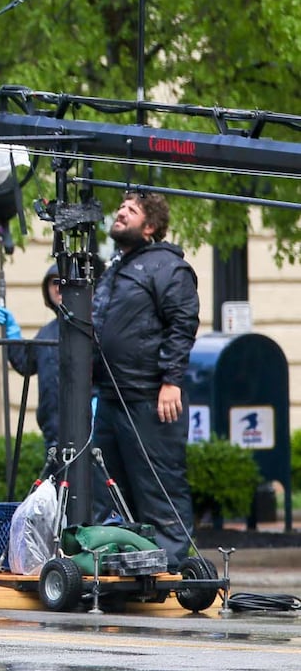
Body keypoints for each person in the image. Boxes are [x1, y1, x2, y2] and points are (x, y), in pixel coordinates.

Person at [92, 192, 200, 569]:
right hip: (110, 398)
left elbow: (182, 324)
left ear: (150, 226)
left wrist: (171, 381)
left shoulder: (166, 267)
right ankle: (125, 563)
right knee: (109, 489)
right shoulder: (116, 268)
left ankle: (170, 568)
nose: (120, 213)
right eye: (120, 207)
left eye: (131, 210)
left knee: (159, 488)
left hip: (148, 399)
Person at [0, 266, 62, 450]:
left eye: (62, 282)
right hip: (53, 434)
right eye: (52, 283)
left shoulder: (91, 329)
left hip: (88, 433)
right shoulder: (46, 333)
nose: (57, 288)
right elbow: (26, 364)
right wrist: (12, 333)